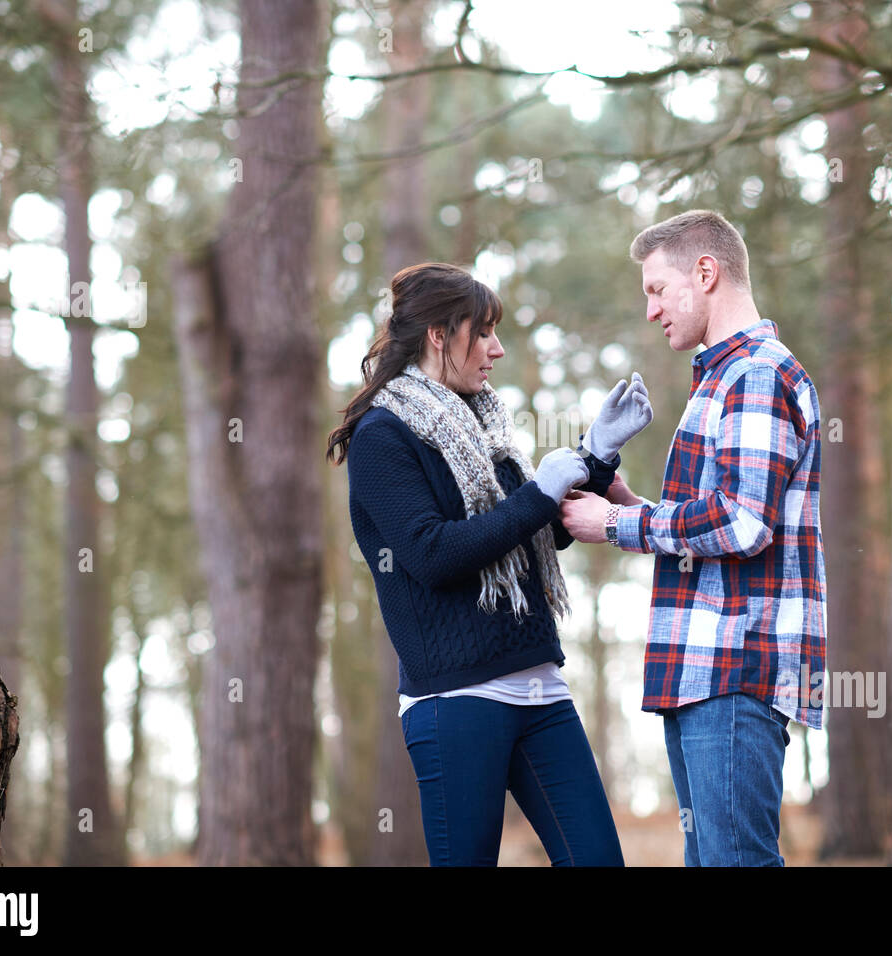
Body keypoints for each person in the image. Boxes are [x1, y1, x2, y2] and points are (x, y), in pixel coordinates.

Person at [327, 261, 653, 866]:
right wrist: (539, 493)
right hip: (455, 702)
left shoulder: (484, 426)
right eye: (483, 332)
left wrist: (596, 456)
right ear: (438, 336)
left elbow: (534, 539)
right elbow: (433, 555)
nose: (497, 349)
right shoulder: (383, 437)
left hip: (538, 688)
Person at [560, 210, 827, 867]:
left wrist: (619, 524)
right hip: (703, 671)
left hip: (735, 668)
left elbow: (742, 521)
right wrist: (635, 504)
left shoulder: (756, 374)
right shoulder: (723, 376)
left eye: (656, 289)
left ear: (705, 273)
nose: (650, 310)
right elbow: (728, 517)